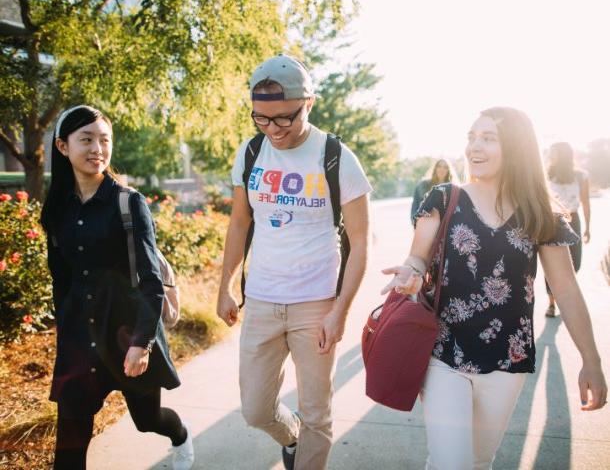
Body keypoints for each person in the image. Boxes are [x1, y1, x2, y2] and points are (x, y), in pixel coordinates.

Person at [381, 107, 607, 470]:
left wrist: (591, 361)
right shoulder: (444, 198)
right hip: (444, 352)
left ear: (516, 148)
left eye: (489, 138)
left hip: (506, 358)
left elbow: (565, 289)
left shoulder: (540, 213)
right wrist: (409, 272)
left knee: (478, 461)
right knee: (451, 463)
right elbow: (417, 258)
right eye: (472, 137)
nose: (475, 146)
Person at [216, 54, 372, 470]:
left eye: (284, 118)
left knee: (317, 413)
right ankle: (291, 437)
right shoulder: (250, 153)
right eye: (261, 119)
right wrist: (226, 286)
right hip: (263, 300)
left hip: (317, 303)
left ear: (310, 103)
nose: (273, 130)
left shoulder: (338, 157)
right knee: (255, 409)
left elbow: (360, 242)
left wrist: (341, 311)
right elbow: (238, 224)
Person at [41, 105, 194, 470]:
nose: (97, 149)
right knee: (69, 447)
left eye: (104, 140)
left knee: (148, 420)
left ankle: (180, 435)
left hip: (128, 334)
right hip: (80, 338)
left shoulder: (128, 202)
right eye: (87, 140)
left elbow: (150, 280)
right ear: (63, 147)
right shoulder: (57, 208)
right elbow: (61, 279)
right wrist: (67, 330)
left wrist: (142, 343)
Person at [544, 142, 591, 317]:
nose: (550, 156)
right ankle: (552, 304)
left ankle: (564, 295)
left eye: (553, 153)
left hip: (573, 219)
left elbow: (585, 202)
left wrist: (588, 227)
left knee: (575, 263)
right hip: (553, 222)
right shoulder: (546, 174)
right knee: (551, 265)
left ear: (563, 155)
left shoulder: (580, 176)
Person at [410, 158, 456, 225]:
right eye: (439, 166)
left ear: (448, 170)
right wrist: (415, 224)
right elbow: (415, 208)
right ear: (435, 168)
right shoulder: (422, 186)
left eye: (445, 167)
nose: (442, 169)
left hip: (445, 227)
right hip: (425, 226)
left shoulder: (453, 189)